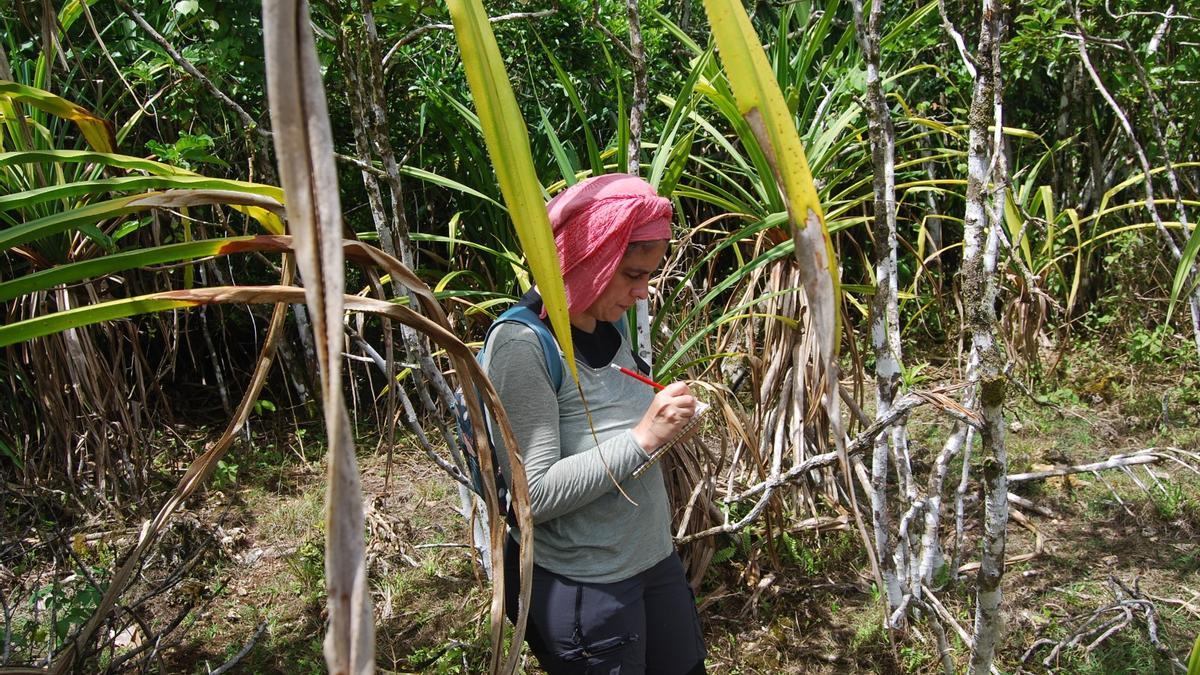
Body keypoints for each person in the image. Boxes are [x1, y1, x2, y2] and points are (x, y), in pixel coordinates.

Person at [482, 174, 707, 674]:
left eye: (648, 274)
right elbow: (531, 496)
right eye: (631, 274)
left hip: (653, 561)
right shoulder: (523, 346)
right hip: (588, 585)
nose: (642, 291)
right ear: (589, 260)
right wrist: (646, 436)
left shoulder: (608, 320)